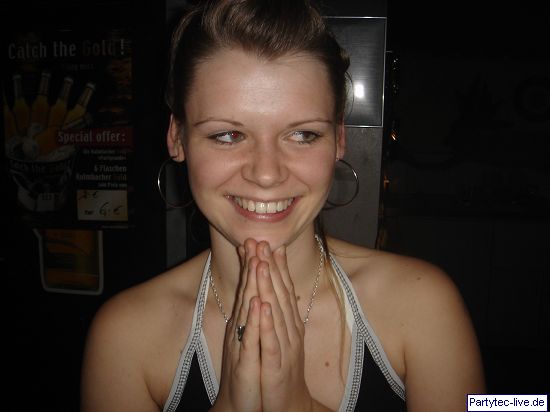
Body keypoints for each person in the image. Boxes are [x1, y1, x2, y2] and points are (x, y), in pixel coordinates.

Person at [80, 0, 486, 411]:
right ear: (177, 137)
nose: (266, 173)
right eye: (227, 135)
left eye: (303, 135)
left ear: (339, 139)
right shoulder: (126, 338)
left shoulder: (423, 305)